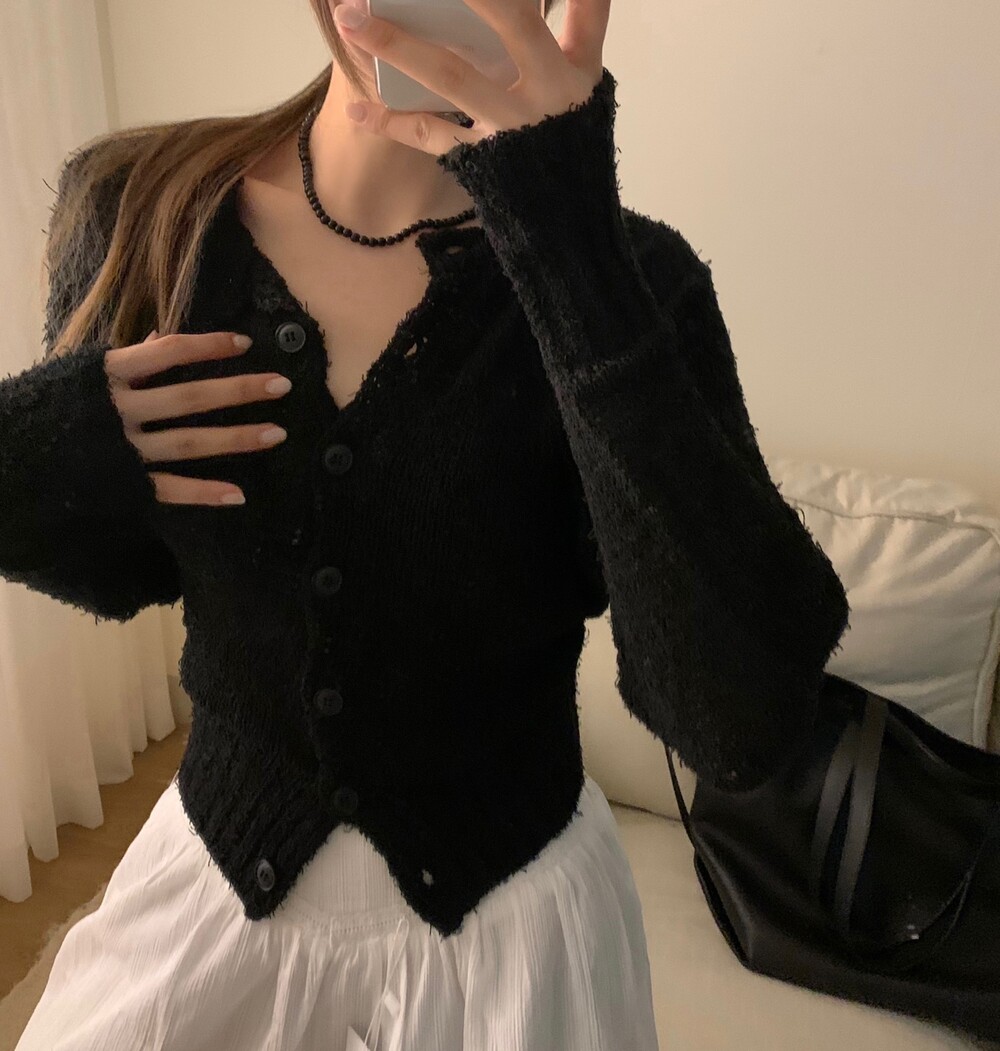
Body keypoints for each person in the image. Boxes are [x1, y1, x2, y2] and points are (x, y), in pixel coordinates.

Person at [7, 0, 851, 1048]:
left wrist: (570, 241)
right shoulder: (144, 208)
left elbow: (737, 718)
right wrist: (43, 446)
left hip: (519, 937)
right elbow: (114, 570)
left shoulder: (634, 280)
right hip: (211, 892)